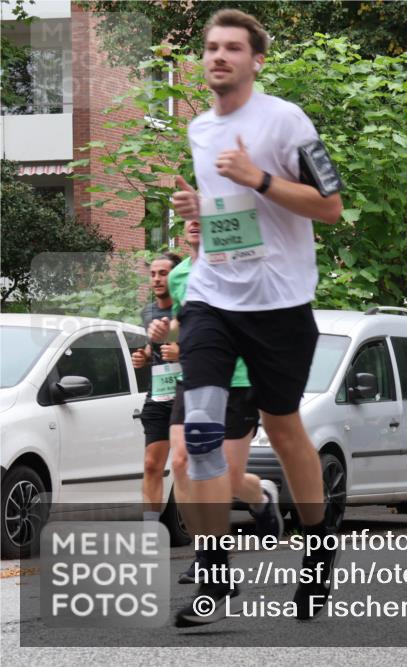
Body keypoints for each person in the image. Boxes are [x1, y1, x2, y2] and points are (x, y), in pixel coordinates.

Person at [169, 9, 342, 626]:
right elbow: (227, 213)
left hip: (280, 302)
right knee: (195, 444)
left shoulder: (287, 120)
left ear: (256, 60)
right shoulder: (197, 130)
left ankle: (319, 552)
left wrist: (260, 178)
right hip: (213, 298)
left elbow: (331, 206)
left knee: (285, 426)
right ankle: (214, 577)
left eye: (232, 48)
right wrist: (200, 210)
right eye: (211, 47)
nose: (218, 56)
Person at [154, 217, 282, 583]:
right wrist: (167, 328)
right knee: (180, 462)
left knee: (226, 476)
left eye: (202, 217)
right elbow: (187, 317)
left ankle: (260, 498)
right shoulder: (179, 276)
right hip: (193, 378)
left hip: (238, 379)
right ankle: (205, 555)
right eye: (188, 219)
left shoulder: (236, 265)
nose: (194, 223)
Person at [131, 253, 181, 525]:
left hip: (189, 395)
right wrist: (145, 357)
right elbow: (154, 348)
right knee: (152, 465)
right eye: (153, 274)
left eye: (163, 273)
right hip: (159, 396)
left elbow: (208, 350)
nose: (157, 279)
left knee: (190, 467)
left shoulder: (190, 309)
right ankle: (151, 529)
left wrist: (180, 353)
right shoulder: (148, 312)